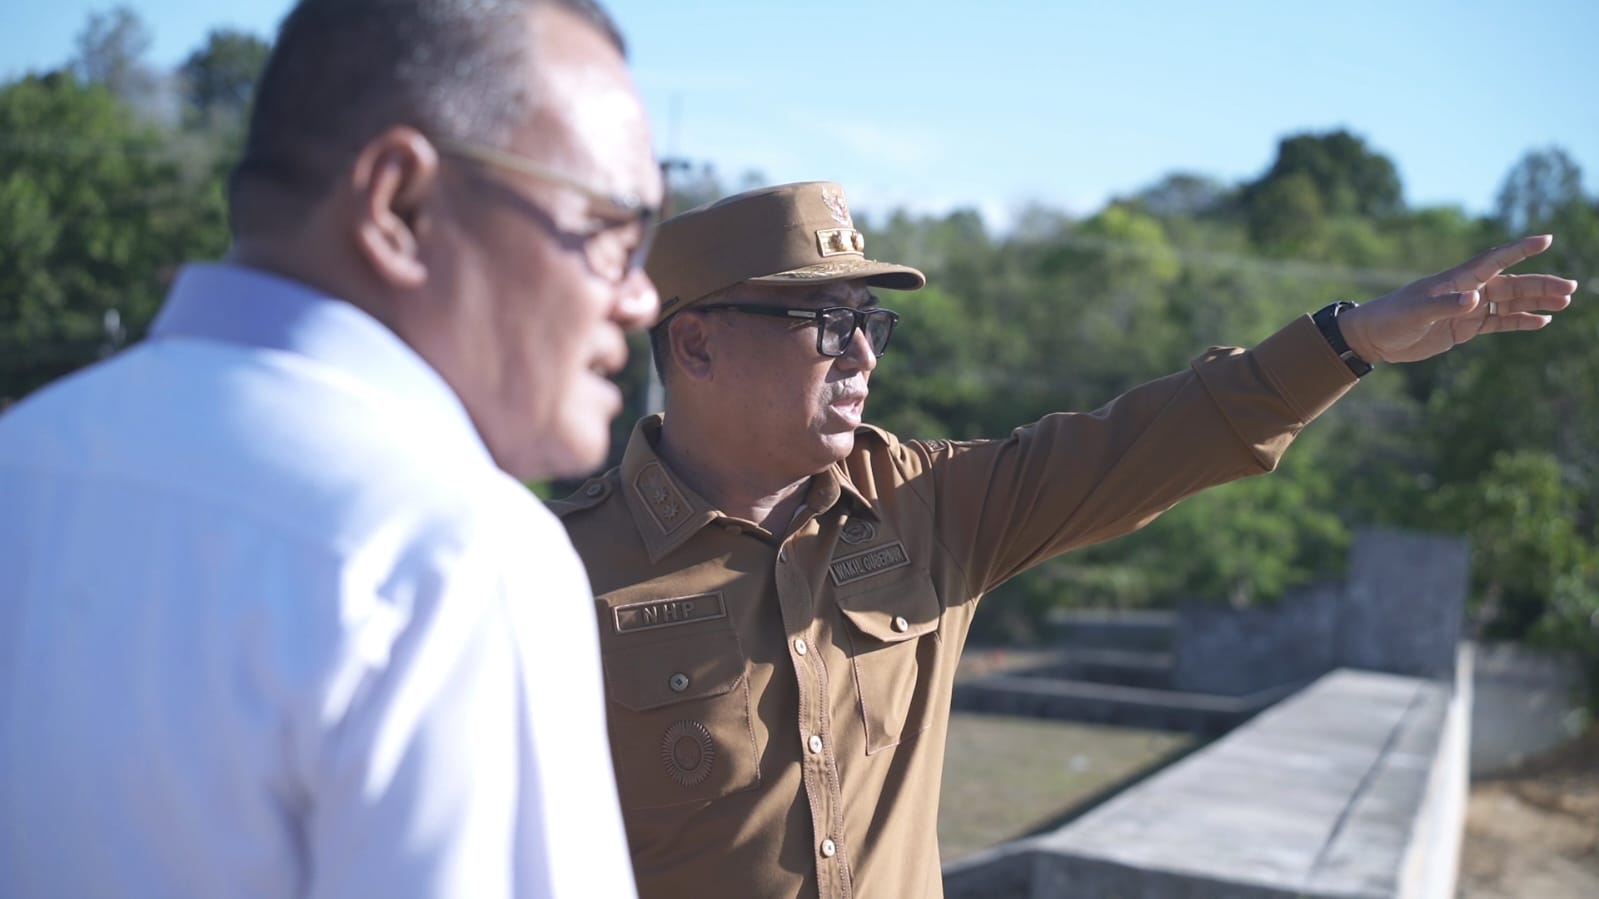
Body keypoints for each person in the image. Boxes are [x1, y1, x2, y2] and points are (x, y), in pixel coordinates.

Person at [550, 180, 1578, 898]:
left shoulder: (929, 505)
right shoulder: (553, 572)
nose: (862, 352)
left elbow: (1141, 443)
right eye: (825, 322)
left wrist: (1347, 341)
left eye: (871, 321)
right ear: (695, 341)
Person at [0, 1, 658, 896]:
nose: (641, 297)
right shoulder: (453, 554)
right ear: (402, 204)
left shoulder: (27, 457)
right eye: (612, 228)